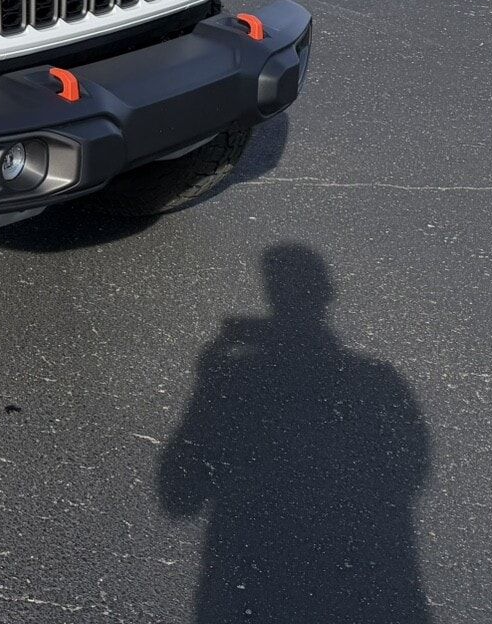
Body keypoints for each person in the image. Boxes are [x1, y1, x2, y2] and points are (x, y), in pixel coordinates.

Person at [159, 244, 430, 623]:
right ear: (327, 293)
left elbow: (179, 496)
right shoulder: (379, 381)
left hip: (248, 578)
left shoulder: (235, 378)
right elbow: (412, 468)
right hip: (365, 580)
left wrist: (210, 379)